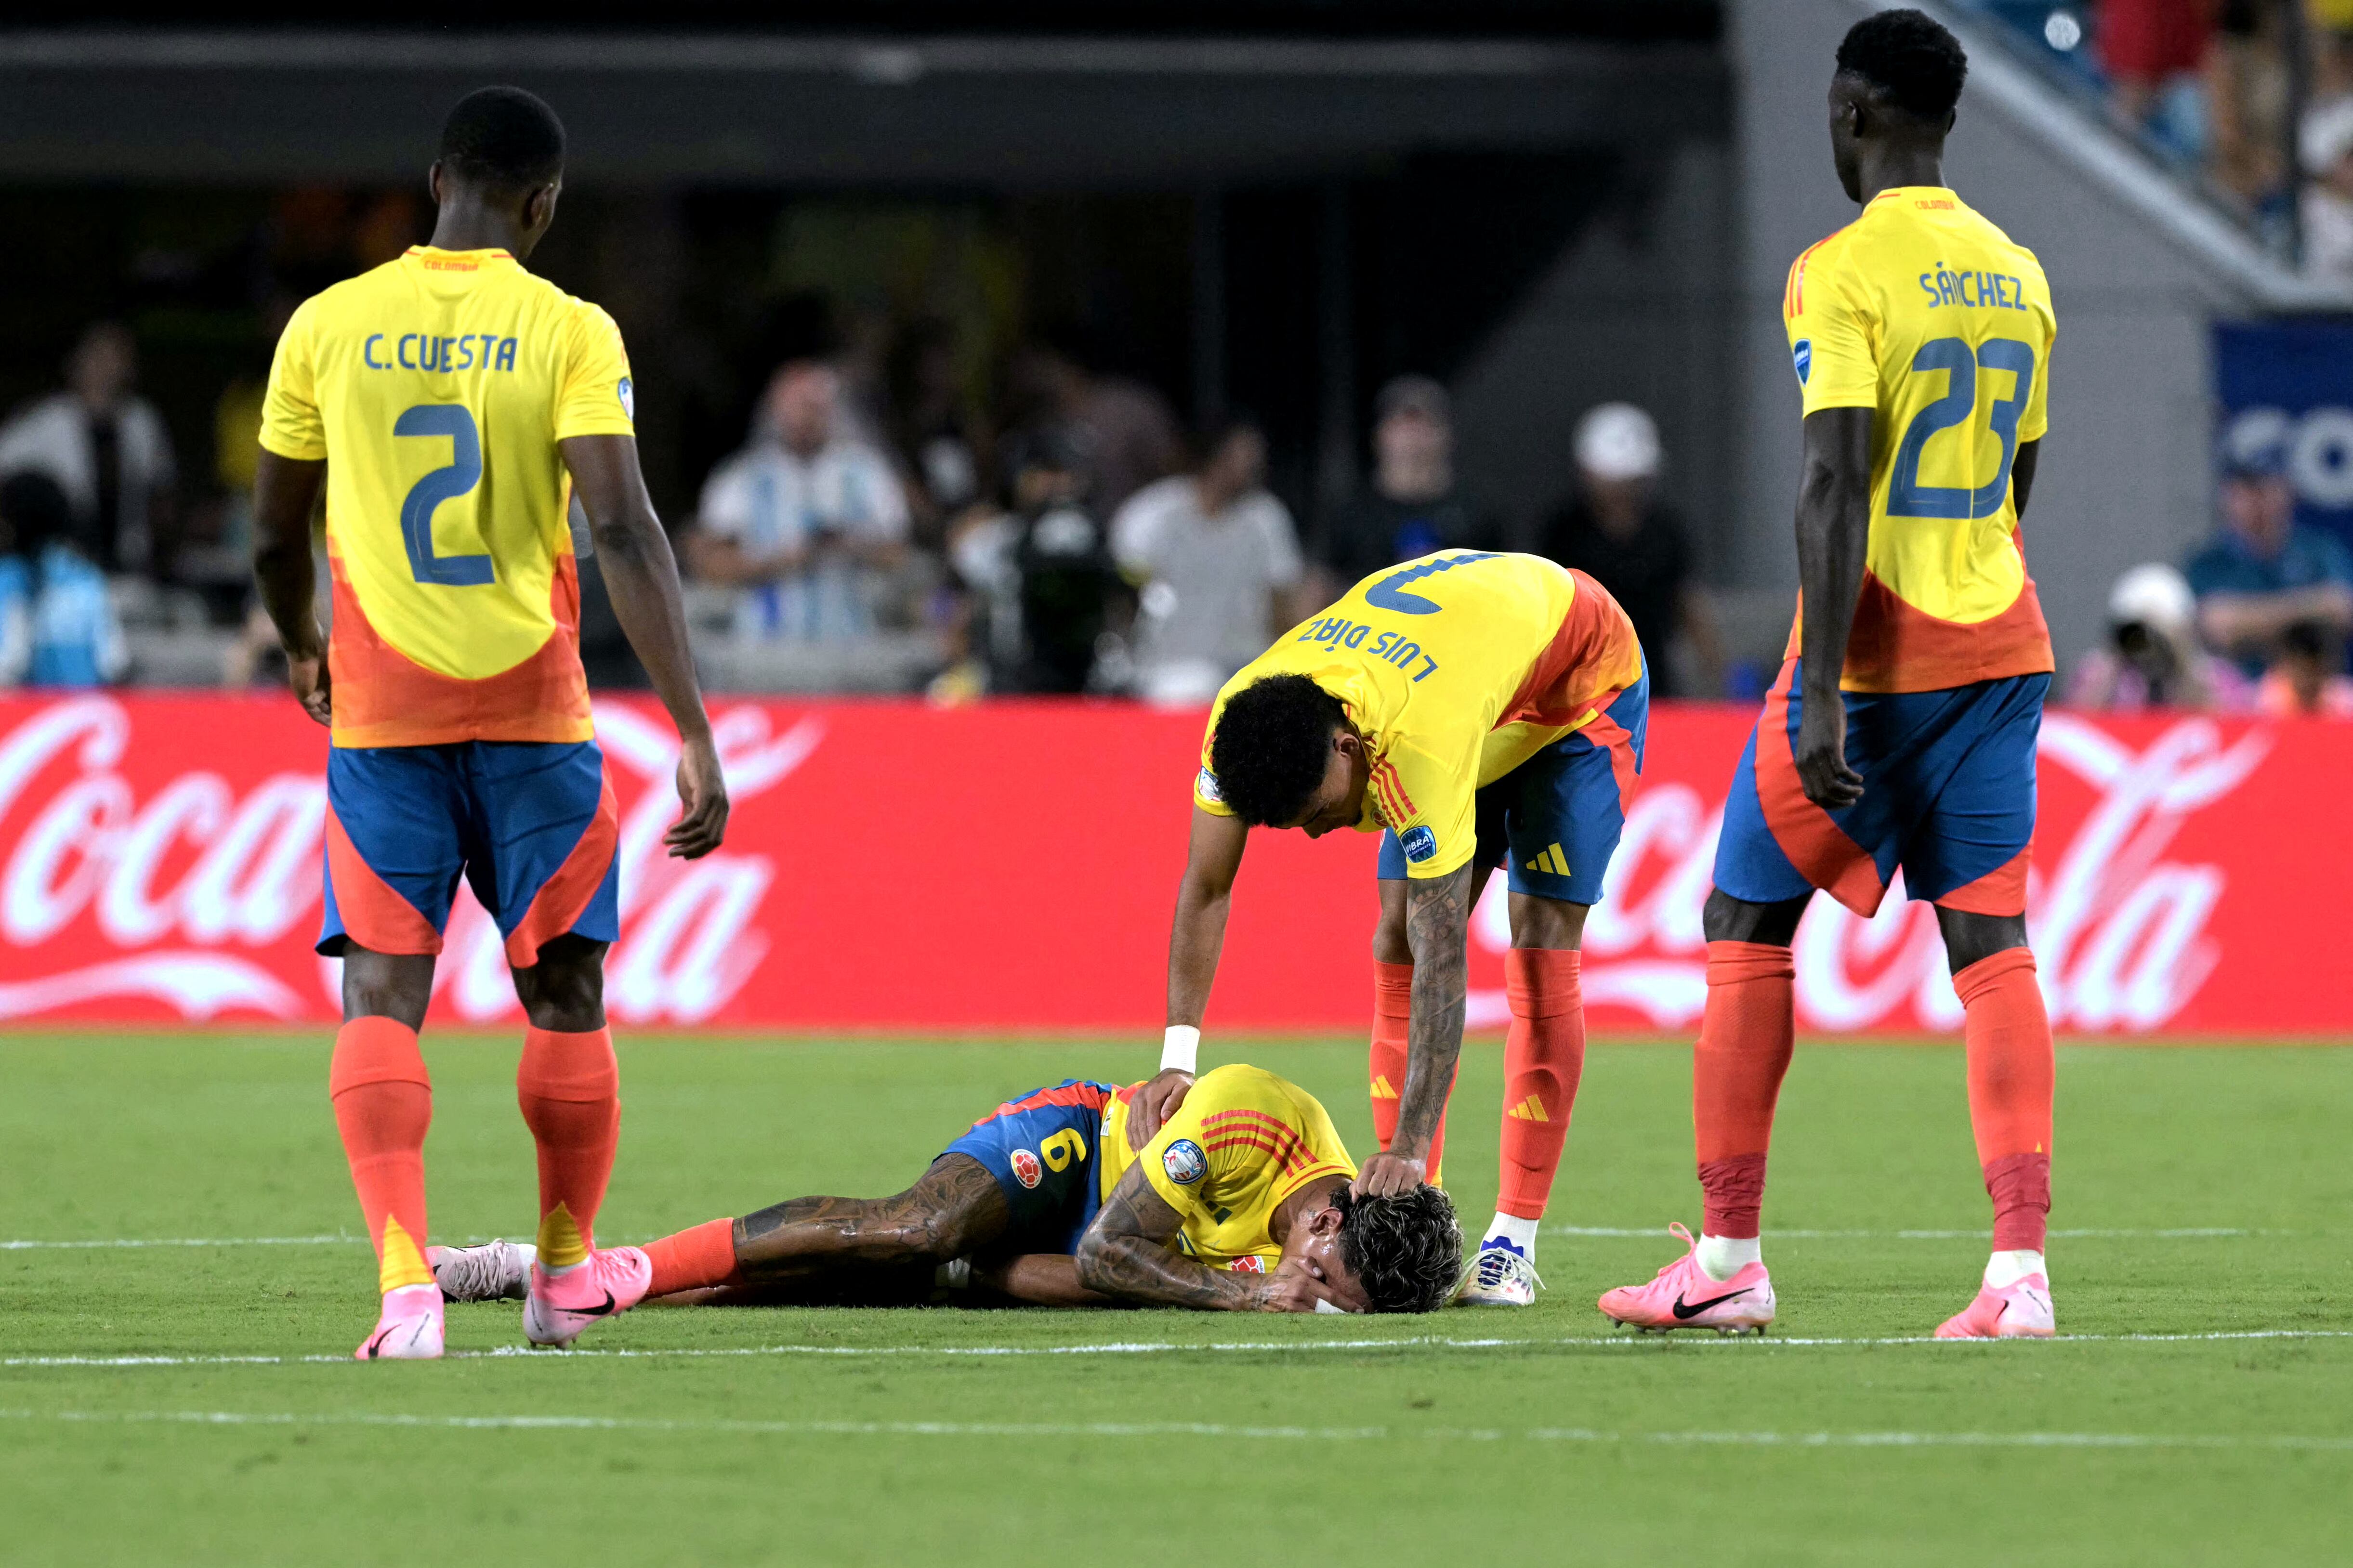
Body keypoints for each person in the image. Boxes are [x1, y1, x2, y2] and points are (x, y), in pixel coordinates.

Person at [1599, 12, 2062, 1340]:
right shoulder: (2016, 272)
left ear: (1854, 112)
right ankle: (2015, 1276)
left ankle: (1728, 1261)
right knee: (1991, 947)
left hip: (1871, 657)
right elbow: (2016, 477)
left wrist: (1813, 687)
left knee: (1742, 925)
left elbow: (1831, 477)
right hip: (2000, 639)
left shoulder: (1840, 270)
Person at [249, 86, 729, 1362]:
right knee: (565, 994)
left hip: (383, 720)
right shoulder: (569, 328)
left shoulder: (327, 324)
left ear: (433, 180)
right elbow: (623, 527)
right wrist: (691, 726)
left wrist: (302, 645)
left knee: (380, 995)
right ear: (543, 204)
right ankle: (564, 1279)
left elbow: (269, 529)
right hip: (534, 714)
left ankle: (407, 1291)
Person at [1132, 549, 1647, 1309]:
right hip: (1464, 663)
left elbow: (1447, 960)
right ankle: (1412, 1217)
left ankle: (1511, 1240)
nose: (1313, 836)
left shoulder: (1418, 746)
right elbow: (1207, 887)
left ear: (1349, 748)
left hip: (1576, 686)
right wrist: (1178, 1057)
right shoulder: (1236, 727)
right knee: (1393, 938)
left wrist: (1406, 1141)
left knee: (1536, 940)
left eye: (1316, 812)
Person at [433, 1063, 1464, 1316]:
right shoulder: (1252, 1118)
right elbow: (1111, 1249)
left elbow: (1113, 1277)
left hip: (1110, 1247)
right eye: (1326, 1278)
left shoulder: (1335, 1228)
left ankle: (547, 1274)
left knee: (860, 1277)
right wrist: (1245, 1292)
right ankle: (610, 1262)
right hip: (1070, 1147)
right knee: (915, 1230)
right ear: (1325, 1217)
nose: (1316, 1298)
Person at [688, 359, 912, 645]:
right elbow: (711, 565)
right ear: (774, 409)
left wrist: (846, 546)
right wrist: (786, 559)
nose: (806, 417)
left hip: (852, 647)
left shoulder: (867, 473)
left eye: (815, 406)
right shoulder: (742, 478)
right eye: (797, 406)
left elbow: (899, 554)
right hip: (764, 649)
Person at [1534, 403, 1725, 700]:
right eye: (1615, 481)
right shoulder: (1564, 532)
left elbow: (1687, 603)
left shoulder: (1666, 532)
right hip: (1576, 690)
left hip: (1652, 685)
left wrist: (1716, 676)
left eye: (1633, 480)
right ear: (1588, 474)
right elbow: (1541, 611)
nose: (1624, 491)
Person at [1112, 418, 1308, 705]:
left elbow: (1283, 605)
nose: (1253, 464)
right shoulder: (1151, 515)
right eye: (1242, 454)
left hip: (1248, 668)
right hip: (1165, 671)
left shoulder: (1266, 518)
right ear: (1213, 457)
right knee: (1188, 686)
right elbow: (1123, 600)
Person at [0, 321, 177, 575]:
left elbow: (162, 492)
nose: (107, 367)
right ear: (77, 363)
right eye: (98, 356)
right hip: (64, 561)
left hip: (129, 561)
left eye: (116, 357)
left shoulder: (142, 422)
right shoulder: (47, 421)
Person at [2185, 444, 2353, 679]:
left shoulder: (2320, 550)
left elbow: (2341, 609)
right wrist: (2311, 611)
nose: (2258, 502)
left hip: (2314, 698)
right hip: (2237, 701)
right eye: (2246, 490)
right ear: (2228, 497)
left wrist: (2247, 620)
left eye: (2267, 488)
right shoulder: (2208, 563)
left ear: (2288, 492)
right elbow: (2217, 627)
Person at [1319, 377, 1501, 591]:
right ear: (1380, 436)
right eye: (1403, 427)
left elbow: (1501, 587)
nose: (1413, 440)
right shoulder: (1351, 514)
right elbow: (1320, 588)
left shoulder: (1475, 513)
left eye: (1425, 427)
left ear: (1446, 436)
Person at [0, 470, 128, 688]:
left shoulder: (9, 579)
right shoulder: (88, 578)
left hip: (31, 718)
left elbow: (9, 664)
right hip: (84, 714)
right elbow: (114, 662)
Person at [2065, 562, 2250, 711]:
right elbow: (2076, 728)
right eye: (2137, 632)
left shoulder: (2215, 677)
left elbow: (2231, 729)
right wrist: (2111, 669)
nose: (2148, 642)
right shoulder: (2098, 673)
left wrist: (2184, 666)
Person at [2257, 618, 2353, 716]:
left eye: (2312, 672)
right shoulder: (2267, 698)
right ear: (2283, 668)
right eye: (2300, 672)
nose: (2306, 681)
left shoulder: (2345, 697)